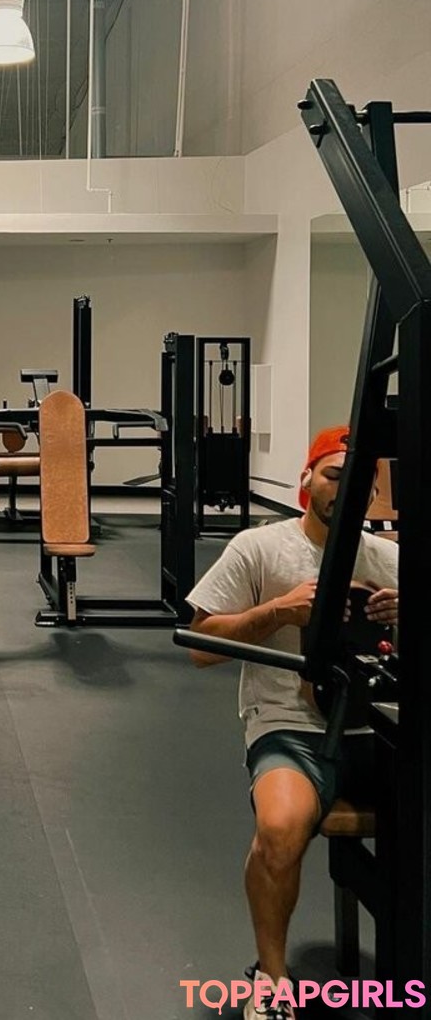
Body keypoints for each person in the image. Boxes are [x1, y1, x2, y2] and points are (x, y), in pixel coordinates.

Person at [185, 426, 398, 1019]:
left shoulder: (390, 560)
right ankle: (272, 980)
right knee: (279, 829)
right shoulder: (259, 548)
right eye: (334, 475)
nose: (346, 489)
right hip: (290, 726)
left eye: (361, 480)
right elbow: (200, 646)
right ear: (306, 480)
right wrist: (279, 610)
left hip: (379, 731)